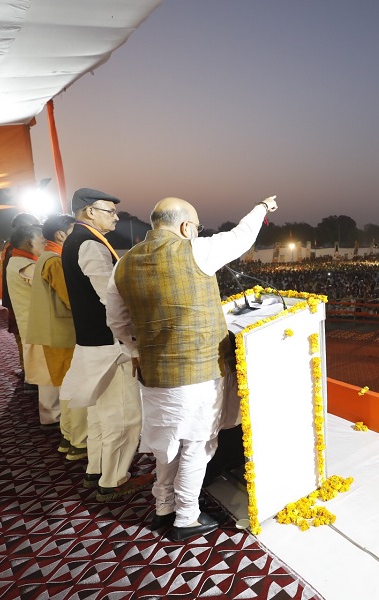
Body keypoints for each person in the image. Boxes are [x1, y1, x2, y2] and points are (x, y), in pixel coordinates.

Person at [106, 195, 277, 542]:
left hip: (153, 377)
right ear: (186, 227)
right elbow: (242, 236)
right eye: (195, 227)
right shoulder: (196, 250)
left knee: (166, 445)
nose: (196, 232)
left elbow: (117, 322)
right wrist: (261, 207)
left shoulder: (121, 265)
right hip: (198, 376)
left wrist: (141, 348)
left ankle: (163, 507)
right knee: (197, 445)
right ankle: (186, 517)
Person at [60, 188, 153, 502]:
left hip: (91, 343)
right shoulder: (89, 244)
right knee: (124, 416)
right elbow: (112, 301)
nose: (115, 216)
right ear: (89, 212)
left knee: (100, 414)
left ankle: (97, 470)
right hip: (109, 345)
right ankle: (114, 481)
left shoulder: (76, 240)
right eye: (109, 211)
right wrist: (134, 344)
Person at [27, 214, 89, 457]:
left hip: (56, 334)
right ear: (62, 235)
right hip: (63, 334)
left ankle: (68, 437)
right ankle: (77, 441)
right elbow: (73, 298)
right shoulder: (56, 260)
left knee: (67, 388)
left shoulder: (47, 258)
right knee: (74, 389)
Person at [5, 224, 61, 428]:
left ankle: (52, 414)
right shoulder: (25, 265)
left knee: (46, 370)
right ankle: (51, 417)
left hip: (34, 324)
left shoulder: (18, 261)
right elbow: (52, 284)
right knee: (48, 373)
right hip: (38, 326)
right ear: (29, 242)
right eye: (42, 242)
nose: (46, 246)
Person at [1, 212, 40, 378]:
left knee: (24, 337)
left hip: (15, 298)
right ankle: (28, 372)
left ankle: (28, 371)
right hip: (20, 299)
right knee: (24, 337)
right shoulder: (15, 250)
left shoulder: (10, 248)